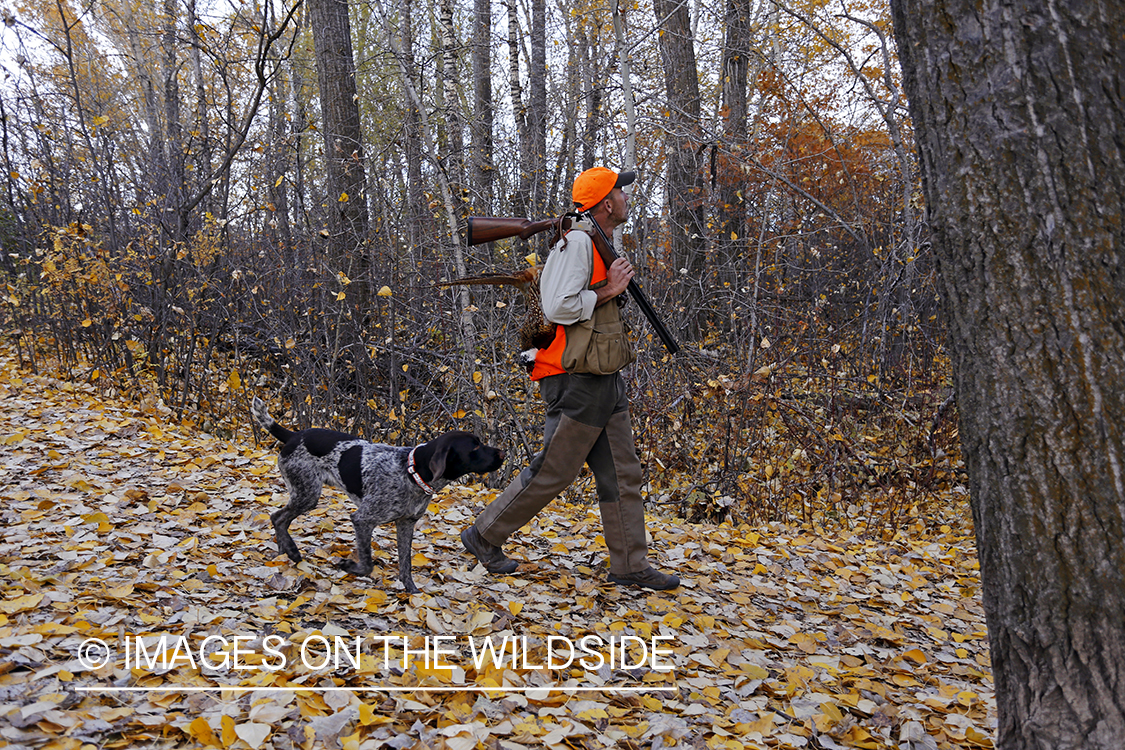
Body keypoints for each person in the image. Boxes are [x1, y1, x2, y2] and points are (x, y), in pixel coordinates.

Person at [461, 167, 680, 591]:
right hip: (576, 376)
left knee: (622, 472)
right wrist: (609, 290)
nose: (627, 196)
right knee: (555, 470)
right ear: (605, 201)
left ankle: (630, 565)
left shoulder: (595, 237)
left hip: (602, 372)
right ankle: (484, 534)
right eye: (620, 191)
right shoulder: (578, 241)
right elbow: (557, 306)